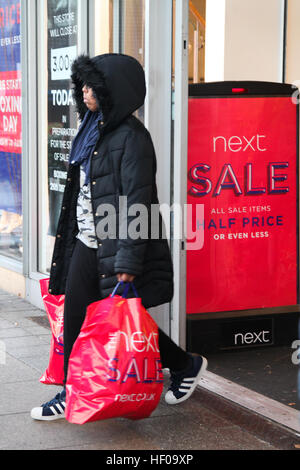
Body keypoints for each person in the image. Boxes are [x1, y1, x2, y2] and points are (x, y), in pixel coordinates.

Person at [31, 53, 207, 421]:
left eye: (91, 85)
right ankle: (74, 391)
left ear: (113, 91)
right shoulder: (91, 127)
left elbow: (136, 203)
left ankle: (184, 364)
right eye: (82, 84)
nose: (84, 91)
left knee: (125, 319)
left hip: (116, 244)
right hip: (87, 240)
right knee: (82, 318)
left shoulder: (132, 138)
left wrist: (127, 264)